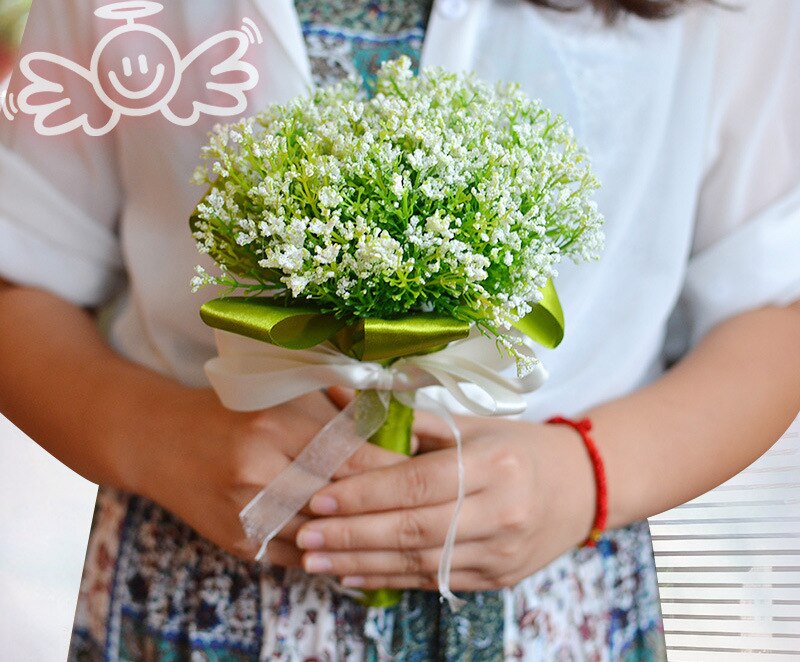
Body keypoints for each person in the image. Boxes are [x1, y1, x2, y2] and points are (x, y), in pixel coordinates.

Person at [1, 0, 799, 659]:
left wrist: (582, 479)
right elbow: (21, 267)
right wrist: (160, 437)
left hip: (556, 606)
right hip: (190, 591)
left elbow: (774, 304)